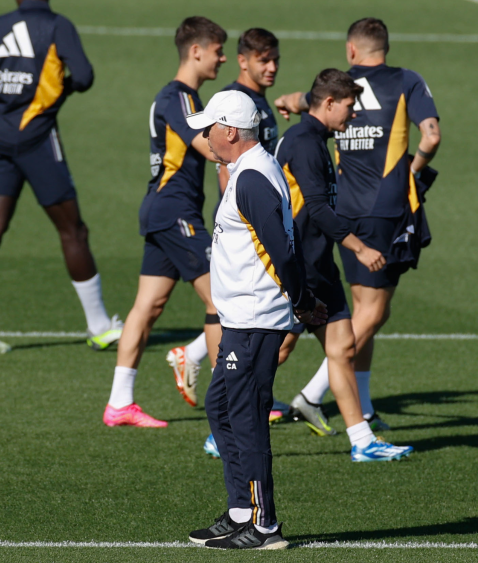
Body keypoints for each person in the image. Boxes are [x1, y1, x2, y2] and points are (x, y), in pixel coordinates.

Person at [205, 70, 413, 462]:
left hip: (320, 262)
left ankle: (361, 440)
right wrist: (359, 248)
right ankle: (223, 428)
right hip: (302, 266)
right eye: (349, 108)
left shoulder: (316, 138)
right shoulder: (304, 143)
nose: (352, 116)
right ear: (329, 103)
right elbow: (316, 210)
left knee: (342, 346)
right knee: (277, 350)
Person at [274, 18, 441, 430]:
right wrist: (412, 173)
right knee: (371, 312)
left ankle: (362, 409)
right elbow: (432, 135)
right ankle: (312, 395)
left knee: (365, 312)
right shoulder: (406, 81)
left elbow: (298, 100)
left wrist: (287, 100)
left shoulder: (337, 90)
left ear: (352, 50)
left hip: (341, 210)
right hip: (383, 208)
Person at [185, 90, 325, 550]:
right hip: (242, 320)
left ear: (229, 131)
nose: (204, 136)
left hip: (256, 320)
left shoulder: (252, 179)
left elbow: (283, 250)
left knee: (244, 417)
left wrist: (302, 303)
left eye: (209, 128)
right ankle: (241, 511)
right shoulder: (248, 172)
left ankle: (264, 527)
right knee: (222, 409)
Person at [0, 0, 122, 355]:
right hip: (36, 138)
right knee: (72, 229)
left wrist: (9, 91)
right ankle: (98, 327)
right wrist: (51, 91)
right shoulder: (57, 26)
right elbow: (84, 76)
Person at [102, 16, 227, 429]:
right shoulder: (181, 98)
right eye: (218, 51)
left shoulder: (175, 97)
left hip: (161, 209)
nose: (222, 59)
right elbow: (207, 147)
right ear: (196, 51)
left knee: (147, 307)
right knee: (221, 300)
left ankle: (120, 403)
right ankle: (229, 401)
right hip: (176, 213)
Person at [167, 28, 286, 414]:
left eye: (275, 60)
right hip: (246, 227)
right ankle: (235, 399)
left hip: (255, 220)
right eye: (263, 60)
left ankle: (217, 377)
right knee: (237, 310)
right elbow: (227, 164)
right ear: (243, 60)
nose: (271, 67)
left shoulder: (260, 105)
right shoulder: (235, 105)